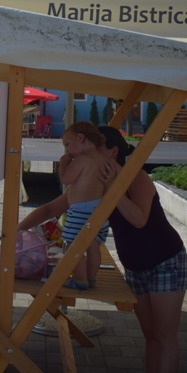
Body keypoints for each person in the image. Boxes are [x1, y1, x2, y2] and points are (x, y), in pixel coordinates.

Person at [17, 126, 187, 373]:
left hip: (165, 260)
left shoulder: (137, 178)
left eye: (92, 150)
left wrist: (113, 189)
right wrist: (13, 232)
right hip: (134, 266)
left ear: (112, 152)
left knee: (164, 336)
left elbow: (139, 219)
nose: (83, 157)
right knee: (151, 336)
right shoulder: (94, 179)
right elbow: (51, 208)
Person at [59, 121, 110, 290]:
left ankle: (80, 280)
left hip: (81, 211)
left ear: (80, 138)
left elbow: (66, 179)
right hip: (100, 210)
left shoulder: (81, 159)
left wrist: (63, 163)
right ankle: (91, 278)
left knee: (73, 245)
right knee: (94, 246)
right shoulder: (104, 159)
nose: (67, 150)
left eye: (67, 144)